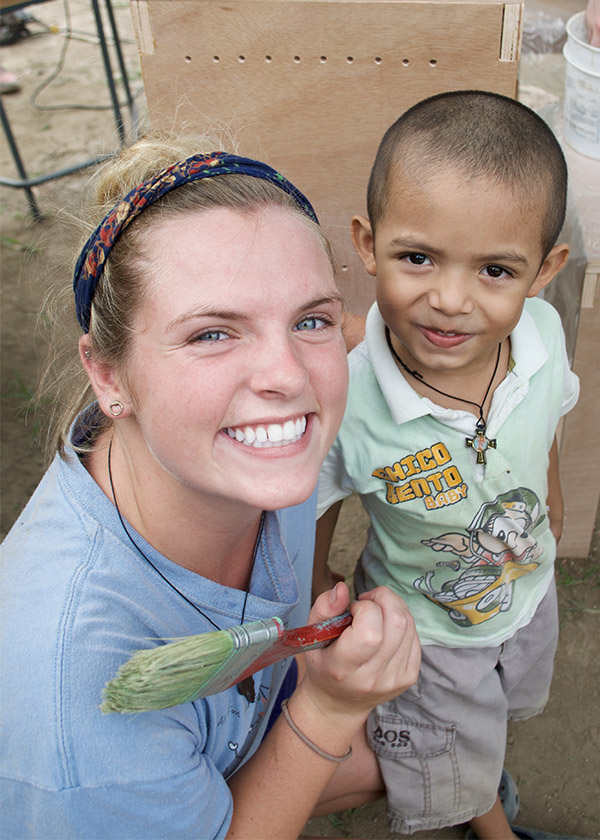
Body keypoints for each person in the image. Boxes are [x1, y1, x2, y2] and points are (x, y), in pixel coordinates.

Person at [0, 132, 421, 839]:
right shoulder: (72, 705)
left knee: (423, 759)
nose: (288, 375)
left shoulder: (244, 454)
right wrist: (326, 709)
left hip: (232, 730)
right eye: (212, 334)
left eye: (311, 319)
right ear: (107, 374)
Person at [314, 91, 580, 840]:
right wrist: (315, 585)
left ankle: (483, 770)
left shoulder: (543, 334)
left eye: (495, 269)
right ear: (368, 244)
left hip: (528, 591)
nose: (451, 300)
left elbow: (553, 408)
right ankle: (494, 827)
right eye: (418, 257)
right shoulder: (349, 397)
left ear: (543, 271)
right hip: (426, 630)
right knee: (450, 746)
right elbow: (316, 495)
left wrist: (553, 494)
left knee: (502, 703)